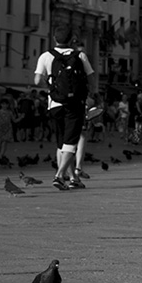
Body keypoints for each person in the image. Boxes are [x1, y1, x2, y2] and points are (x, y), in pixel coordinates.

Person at [34, 24, 95, 190]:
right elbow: (91, 80)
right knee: (71, 142)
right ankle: (60, 175)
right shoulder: (80, 56)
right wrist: (90, 95)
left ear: (54, 38)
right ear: (72, 40)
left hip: (54, 104)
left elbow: (37, 81)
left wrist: (51, 88)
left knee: (61, 143)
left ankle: (73, 178)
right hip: (74, 104)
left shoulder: (46, 56)